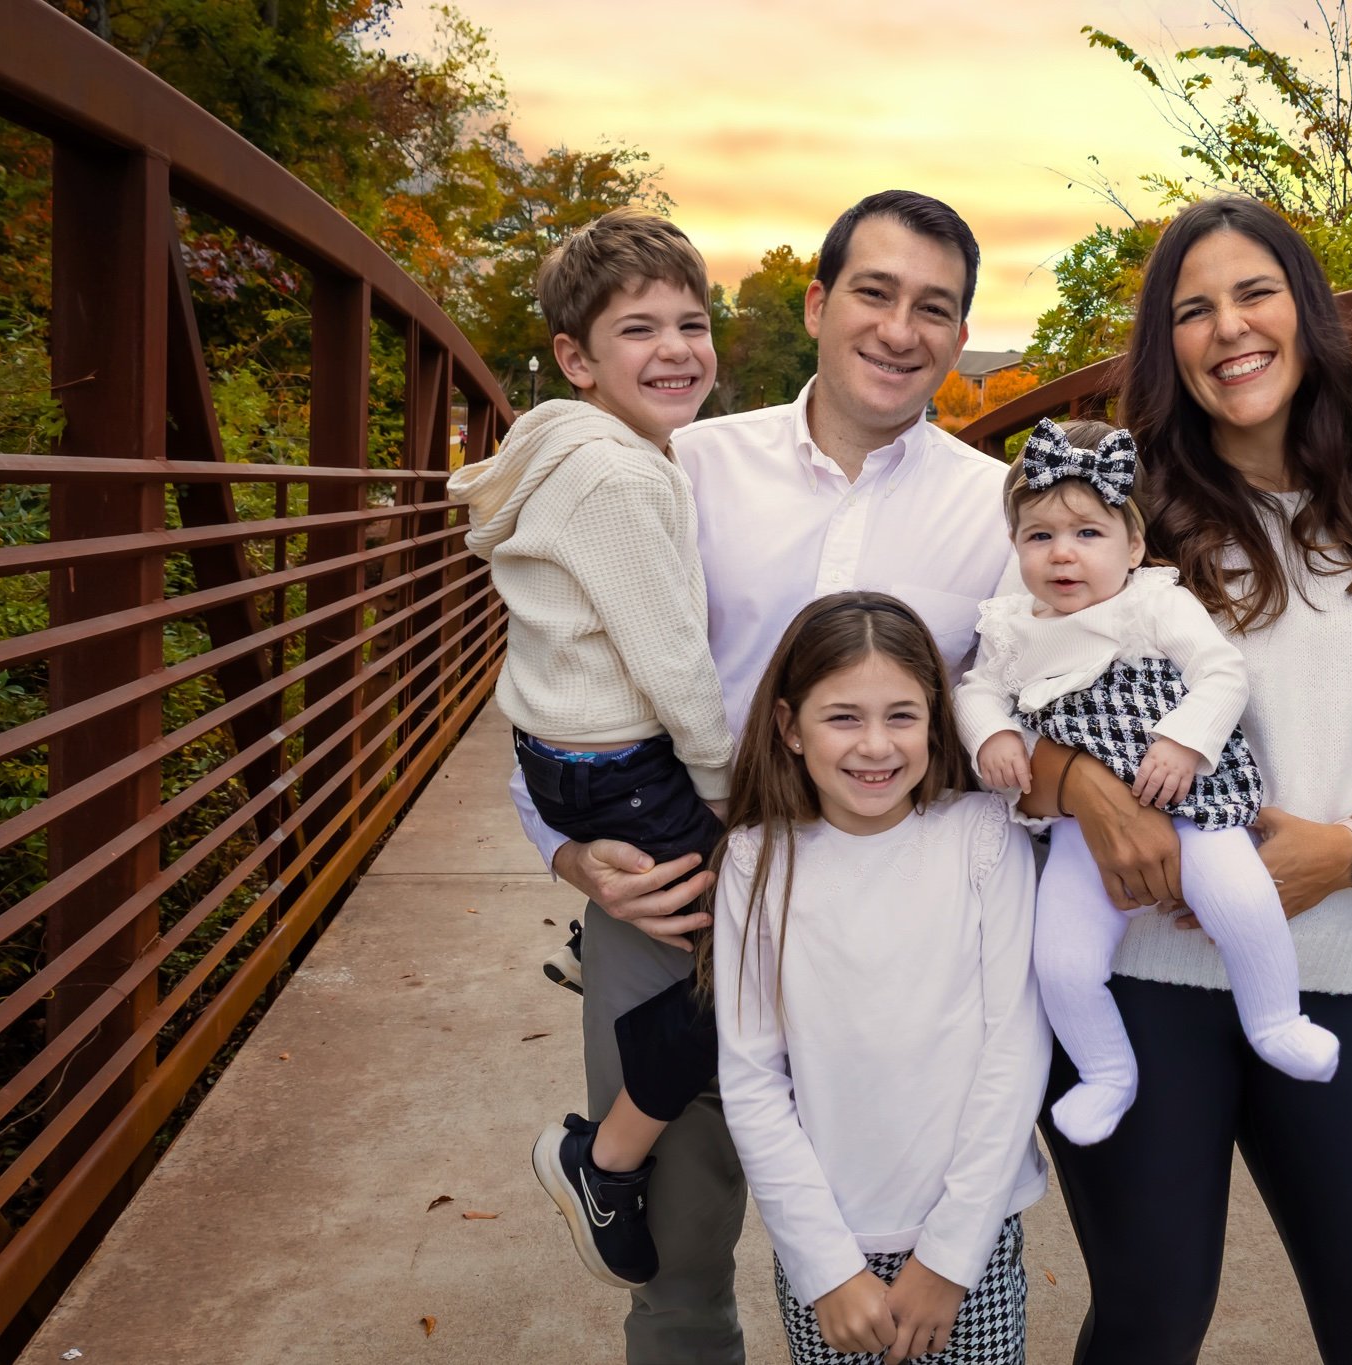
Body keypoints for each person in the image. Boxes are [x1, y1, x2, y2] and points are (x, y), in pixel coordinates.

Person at [510, 190, 1015, 1364]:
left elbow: (1033, 704)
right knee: (678, 1274)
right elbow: (552, 678)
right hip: (671, 903)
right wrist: (570, 853)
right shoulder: (673, 468)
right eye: (874, 293)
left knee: (870, 1256)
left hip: (885, 943)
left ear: (958, 332)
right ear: (816, 301)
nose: (900, 330)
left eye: (934, 309)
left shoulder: (999, 511)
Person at [1022, 197, 1352, 1363]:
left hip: (1347, 971)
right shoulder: (1115, 518)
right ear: (1165, 349)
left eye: (1253, 294)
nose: (1227, 329)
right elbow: (993, 684)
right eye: (1190, 311)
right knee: (1146, 1325)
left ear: (1305, 314)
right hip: (1140, 972)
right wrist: (1069, 781)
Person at [445, 209, 730, 1289]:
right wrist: (727, 792)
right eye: (637, 331)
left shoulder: (573, 448)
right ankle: (598, 1161)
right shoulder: (618, 478)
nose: (673, 350)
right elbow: (671, 664)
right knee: (757, 966)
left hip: (571, 759)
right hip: (629, 764)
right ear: (576, 358)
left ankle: (593, 950)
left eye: (690, 324)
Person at [955, 417, 1338, 1148]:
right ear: (1016, 549)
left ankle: (1276, 1019)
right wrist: (995, 733)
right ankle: (1106, 1072)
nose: (1063, 554)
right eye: (1039, 537)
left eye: (1089, 534)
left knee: (1244, 900)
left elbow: (1222, 671)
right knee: (1061, 958)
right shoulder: (1011, 627)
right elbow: (975, 691)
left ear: (1132, 546)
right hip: (1084, 830)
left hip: (1191, 799)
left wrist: (1185, 740)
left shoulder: (1153, 602)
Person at [715, 592, 1049, 1365]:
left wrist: (949, 1258)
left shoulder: (984, 839)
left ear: (937, 720)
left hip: (971, 1239)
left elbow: (1015, 1049)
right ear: (789, 727)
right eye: (842, 717)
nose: (875, 745)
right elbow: (753, 1075)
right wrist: (826, 1268)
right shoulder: (755, 862)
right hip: (828, 1246)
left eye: (902, 715)